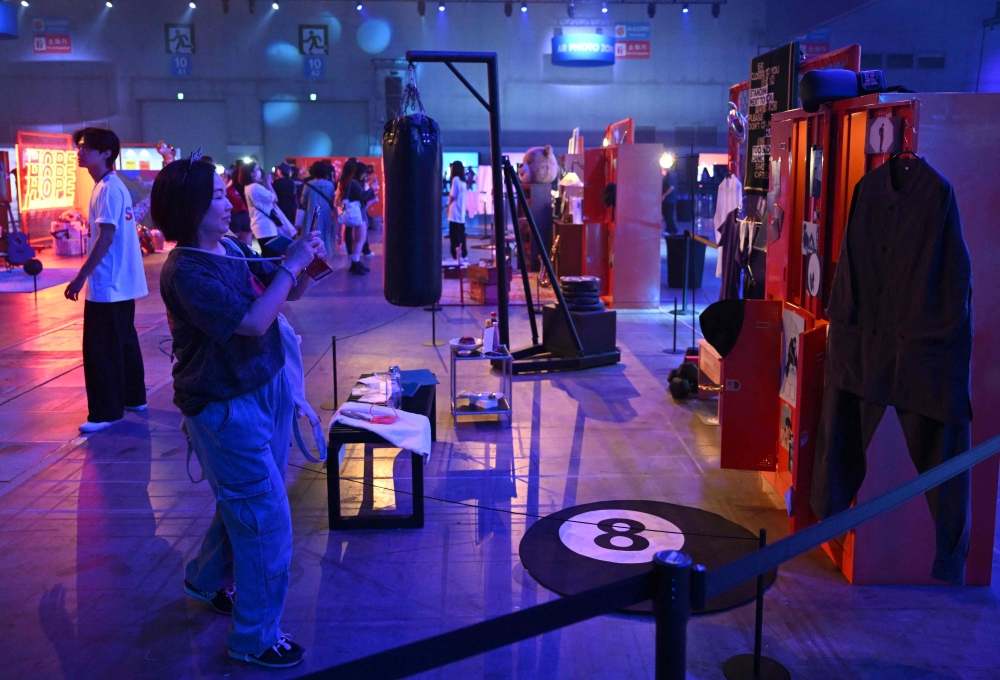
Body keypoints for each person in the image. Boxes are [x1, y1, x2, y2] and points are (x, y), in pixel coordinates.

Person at [152, 153, 325, 669]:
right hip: (226, 409)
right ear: (189, 209)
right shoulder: (185, 272)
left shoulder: (228, 246)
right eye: (215, 197)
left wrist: (304, 266)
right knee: (265, 519)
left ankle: (206, 579)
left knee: (245, 507)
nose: (228, 203)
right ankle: (254, 637)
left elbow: (278, 295)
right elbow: (251, 322)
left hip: (263, 389)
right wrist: (290, 265)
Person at [63, 127, 148, 433]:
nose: (79, 152)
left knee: (101, 350)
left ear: (106, 154)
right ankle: (133, 397)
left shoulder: (108, 189)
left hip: (108, 284)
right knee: (123, 342)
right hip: (119, 283)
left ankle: (105, 413)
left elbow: (106, 236)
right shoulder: (111, 186)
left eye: (86, 147)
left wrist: (80, 276)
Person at [242, 161, 294, 259]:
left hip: (260, 226)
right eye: (256, 169)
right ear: (251, 173)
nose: (259, 172)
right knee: (272, 257)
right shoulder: (255, 187)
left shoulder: (249, 187)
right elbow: (274, 198)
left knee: (269, 255)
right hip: (265, 227)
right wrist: (268, 183)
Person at [338, 158, 368, 275]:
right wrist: (370, 189)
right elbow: (363, 196)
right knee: (361, 238)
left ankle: (356, 262)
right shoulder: (354, 183)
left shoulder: (350, 182)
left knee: (358, 239)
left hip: (357, 213)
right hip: (359, 213)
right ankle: (355, 263)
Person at [299, 161, 336, 256]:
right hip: (326, 213)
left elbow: (303, 202)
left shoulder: (308, 185)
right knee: (326, 234)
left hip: (312, 214)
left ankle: (310, 255)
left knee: (311, 234)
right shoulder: (330, 185)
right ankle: (325, 255)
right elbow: (332, 200)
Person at [227, 159, 253, 247]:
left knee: (234, 244)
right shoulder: (249, 188)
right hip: (246, 215)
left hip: (235, 216)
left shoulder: (230, 189)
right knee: (247, 246)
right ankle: (248, 260)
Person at [446, 160, 468, 263]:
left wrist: (447, 206)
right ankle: (463, 254)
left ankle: (456, 256)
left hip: (454, 212)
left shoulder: (455, 179)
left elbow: (452, 195)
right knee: (461, 234)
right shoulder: (463, 182)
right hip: (461, 213)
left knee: (454, 235)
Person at [661, 165, 678, 235]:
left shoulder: (671, 174)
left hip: (669, 199)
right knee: (667, 214)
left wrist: (664, 195)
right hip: (668, 198)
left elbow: (671, 187)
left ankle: (670, 229)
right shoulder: (668, 174)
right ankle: (672, 229)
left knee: (668, 214)